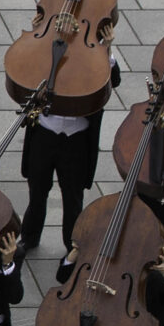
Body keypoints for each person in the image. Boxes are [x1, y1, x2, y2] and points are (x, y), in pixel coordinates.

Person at [19, 55, 123, 260]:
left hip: (77, 139)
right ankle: (29, 236)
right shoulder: (50, 47)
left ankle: (72, 244)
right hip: (45, 133)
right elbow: (27, 70)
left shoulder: (94, 54)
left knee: (73, 196)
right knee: (37, 189)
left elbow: (114, 81)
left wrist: (107, 52)